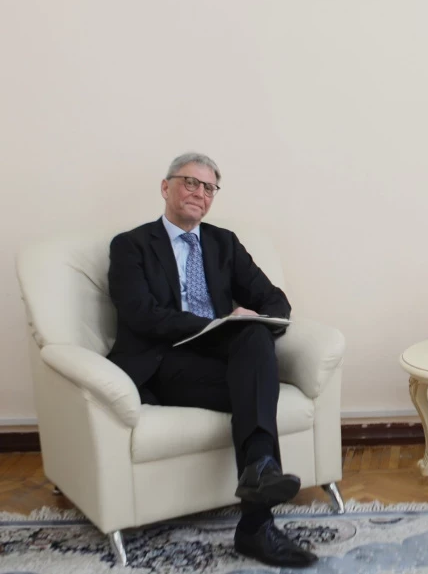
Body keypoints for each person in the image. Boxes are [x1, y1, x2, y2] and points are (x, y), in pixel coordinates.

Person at [107, 153, 317, 568]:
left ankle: (260, 471)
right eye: (190, 182)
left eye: (208, 188)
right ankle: (257, 526)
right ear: (165, 187)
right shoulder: (131, 245)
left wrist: (254, 319)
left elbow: (275, 299)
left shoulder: (224, 243)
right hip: (164, 362)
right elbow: (141, 315)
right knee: (257, 383)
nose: (199, 193)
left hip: (219, 359)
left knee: (255, 335)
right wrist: (215, 324)